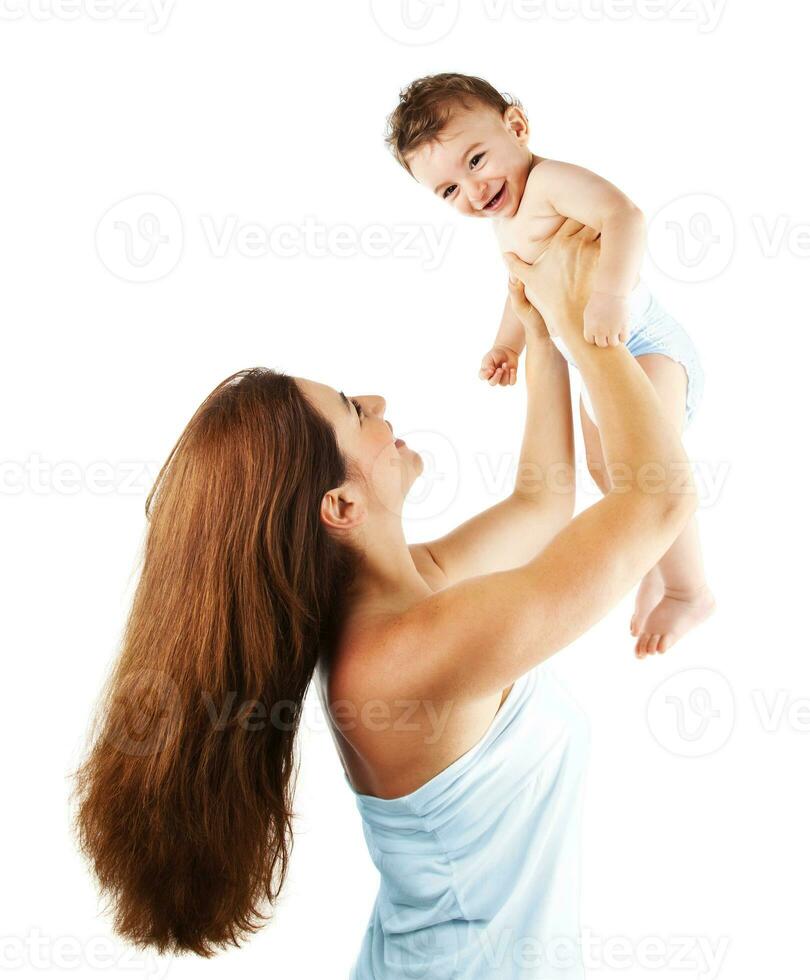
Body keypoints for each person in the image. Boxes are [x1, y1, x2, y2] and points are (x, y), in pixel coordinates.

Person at [72, 222, 696, 977]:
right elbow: (656, 505)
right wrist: (583, 313)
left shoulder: (406, 604)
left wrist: (540, 332)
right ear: (339, 508)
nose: (375, 399)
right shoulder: (410, 654)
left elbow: (543, 501)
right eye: (352, 411)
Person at [385, 71, 715, 657]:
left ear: (516, 126)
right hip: (597, 363)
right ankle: (656, 569)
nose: (473, 188)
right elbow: (522, 287)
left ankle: (690, 590)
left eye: (477, 158)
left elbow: (625, 217)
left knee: (648, 474)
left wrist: (609, 296)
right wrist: (508, 344)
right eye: (448, 191)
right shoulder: (503, 222)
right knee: (612, 477)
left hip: (645, 342)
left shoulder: (550, 182)